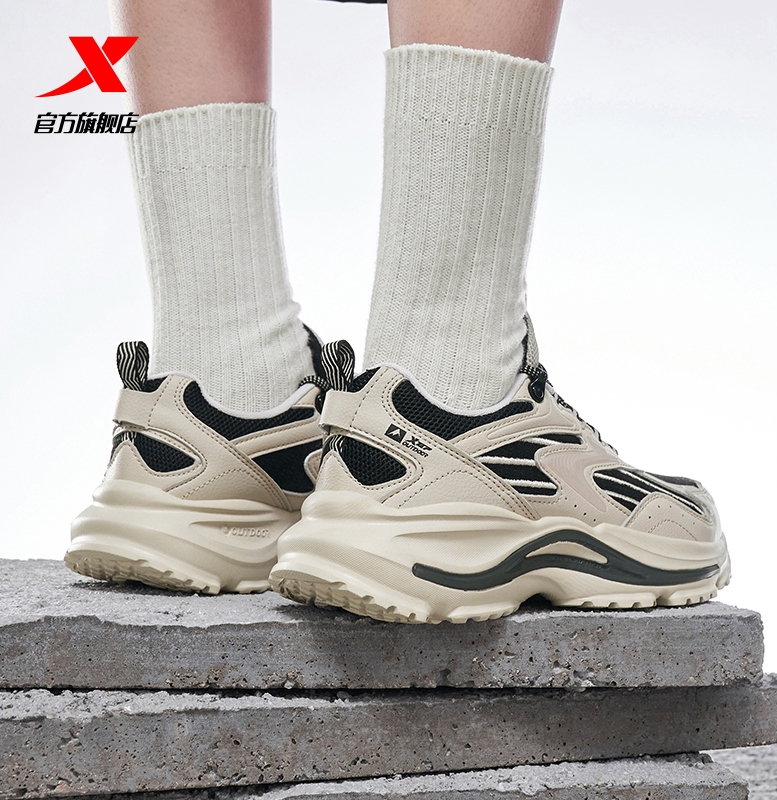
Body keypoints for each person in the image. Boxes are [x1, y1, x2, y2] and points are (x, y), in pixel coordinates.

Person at [65, 0, 730, 623]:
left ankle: (220, 403)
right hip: (442, 452)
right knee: (448, 377)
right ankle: (453, 400)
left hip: (167, 442)